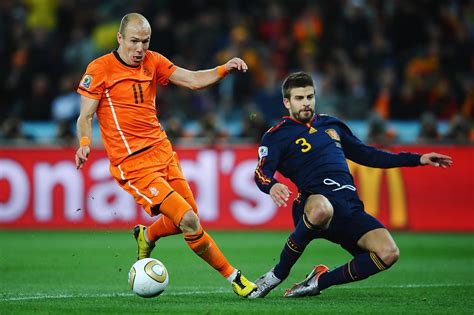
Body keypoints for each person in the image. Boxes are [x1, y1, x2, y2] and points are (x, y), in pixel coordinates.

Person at [74, 13, 256, 297]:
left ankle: (147, 235)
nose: (139, 49)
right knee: (190, 221)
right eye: (134, 41)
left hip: (163, 152)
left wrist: (223, 69)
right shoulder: (100, 69)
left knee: (189, 217)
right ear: (120, 38)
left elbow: (193, 80)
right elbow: (85, 115)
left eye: (145, 42)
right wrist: (85, 142)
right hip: (133, 164)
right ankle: (235, 278)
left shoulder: (153, 61)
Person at [250, 72, 453, 298]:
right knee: (322, 208)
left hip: (349, 205)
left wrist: (418, 159)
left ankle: (318, 281)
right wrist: (272, 186)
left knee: (388, 253)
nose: (306, 102)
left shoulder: (332, 124)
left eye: (310, 96)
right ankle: (276, 275)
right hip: (313, 200)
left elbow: (369, 155)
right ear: (287, 102)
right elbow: (261, 173)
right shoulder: (276, 135)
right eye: (299, 98)